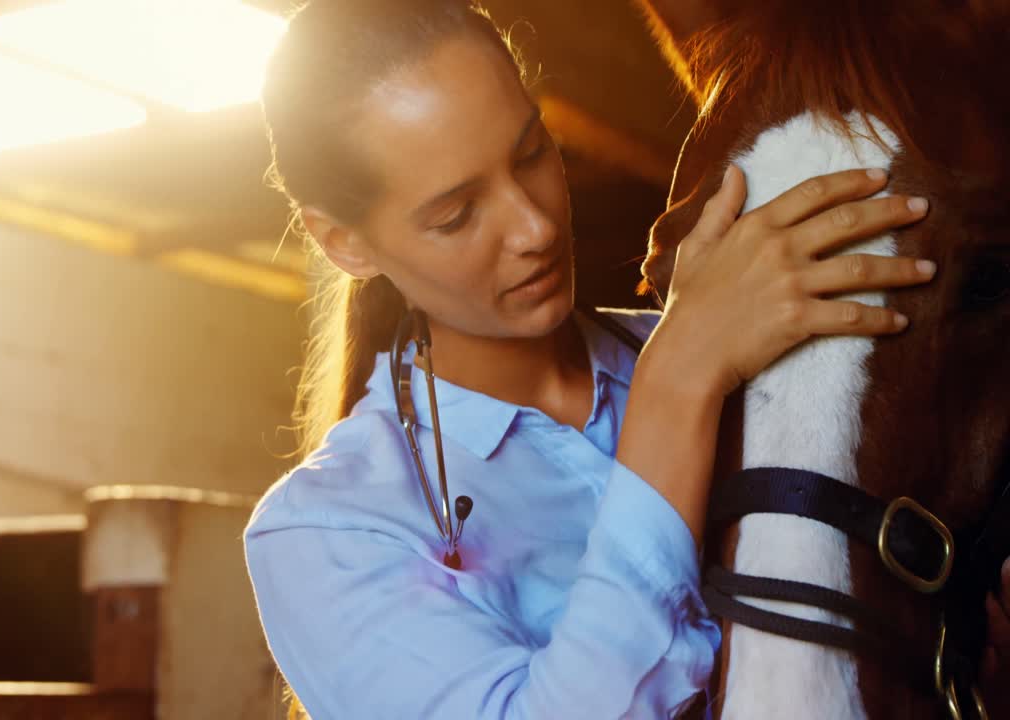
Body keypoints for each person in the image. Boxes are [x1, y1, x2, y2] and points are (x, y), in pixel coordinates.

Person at [241, 1, 954, 717]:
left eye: (532, 153)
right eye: (456, 215)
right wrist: (679, 381)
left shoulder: (751, 349)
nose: (536, 225)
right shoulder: (326, 532)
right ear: (345, 243)